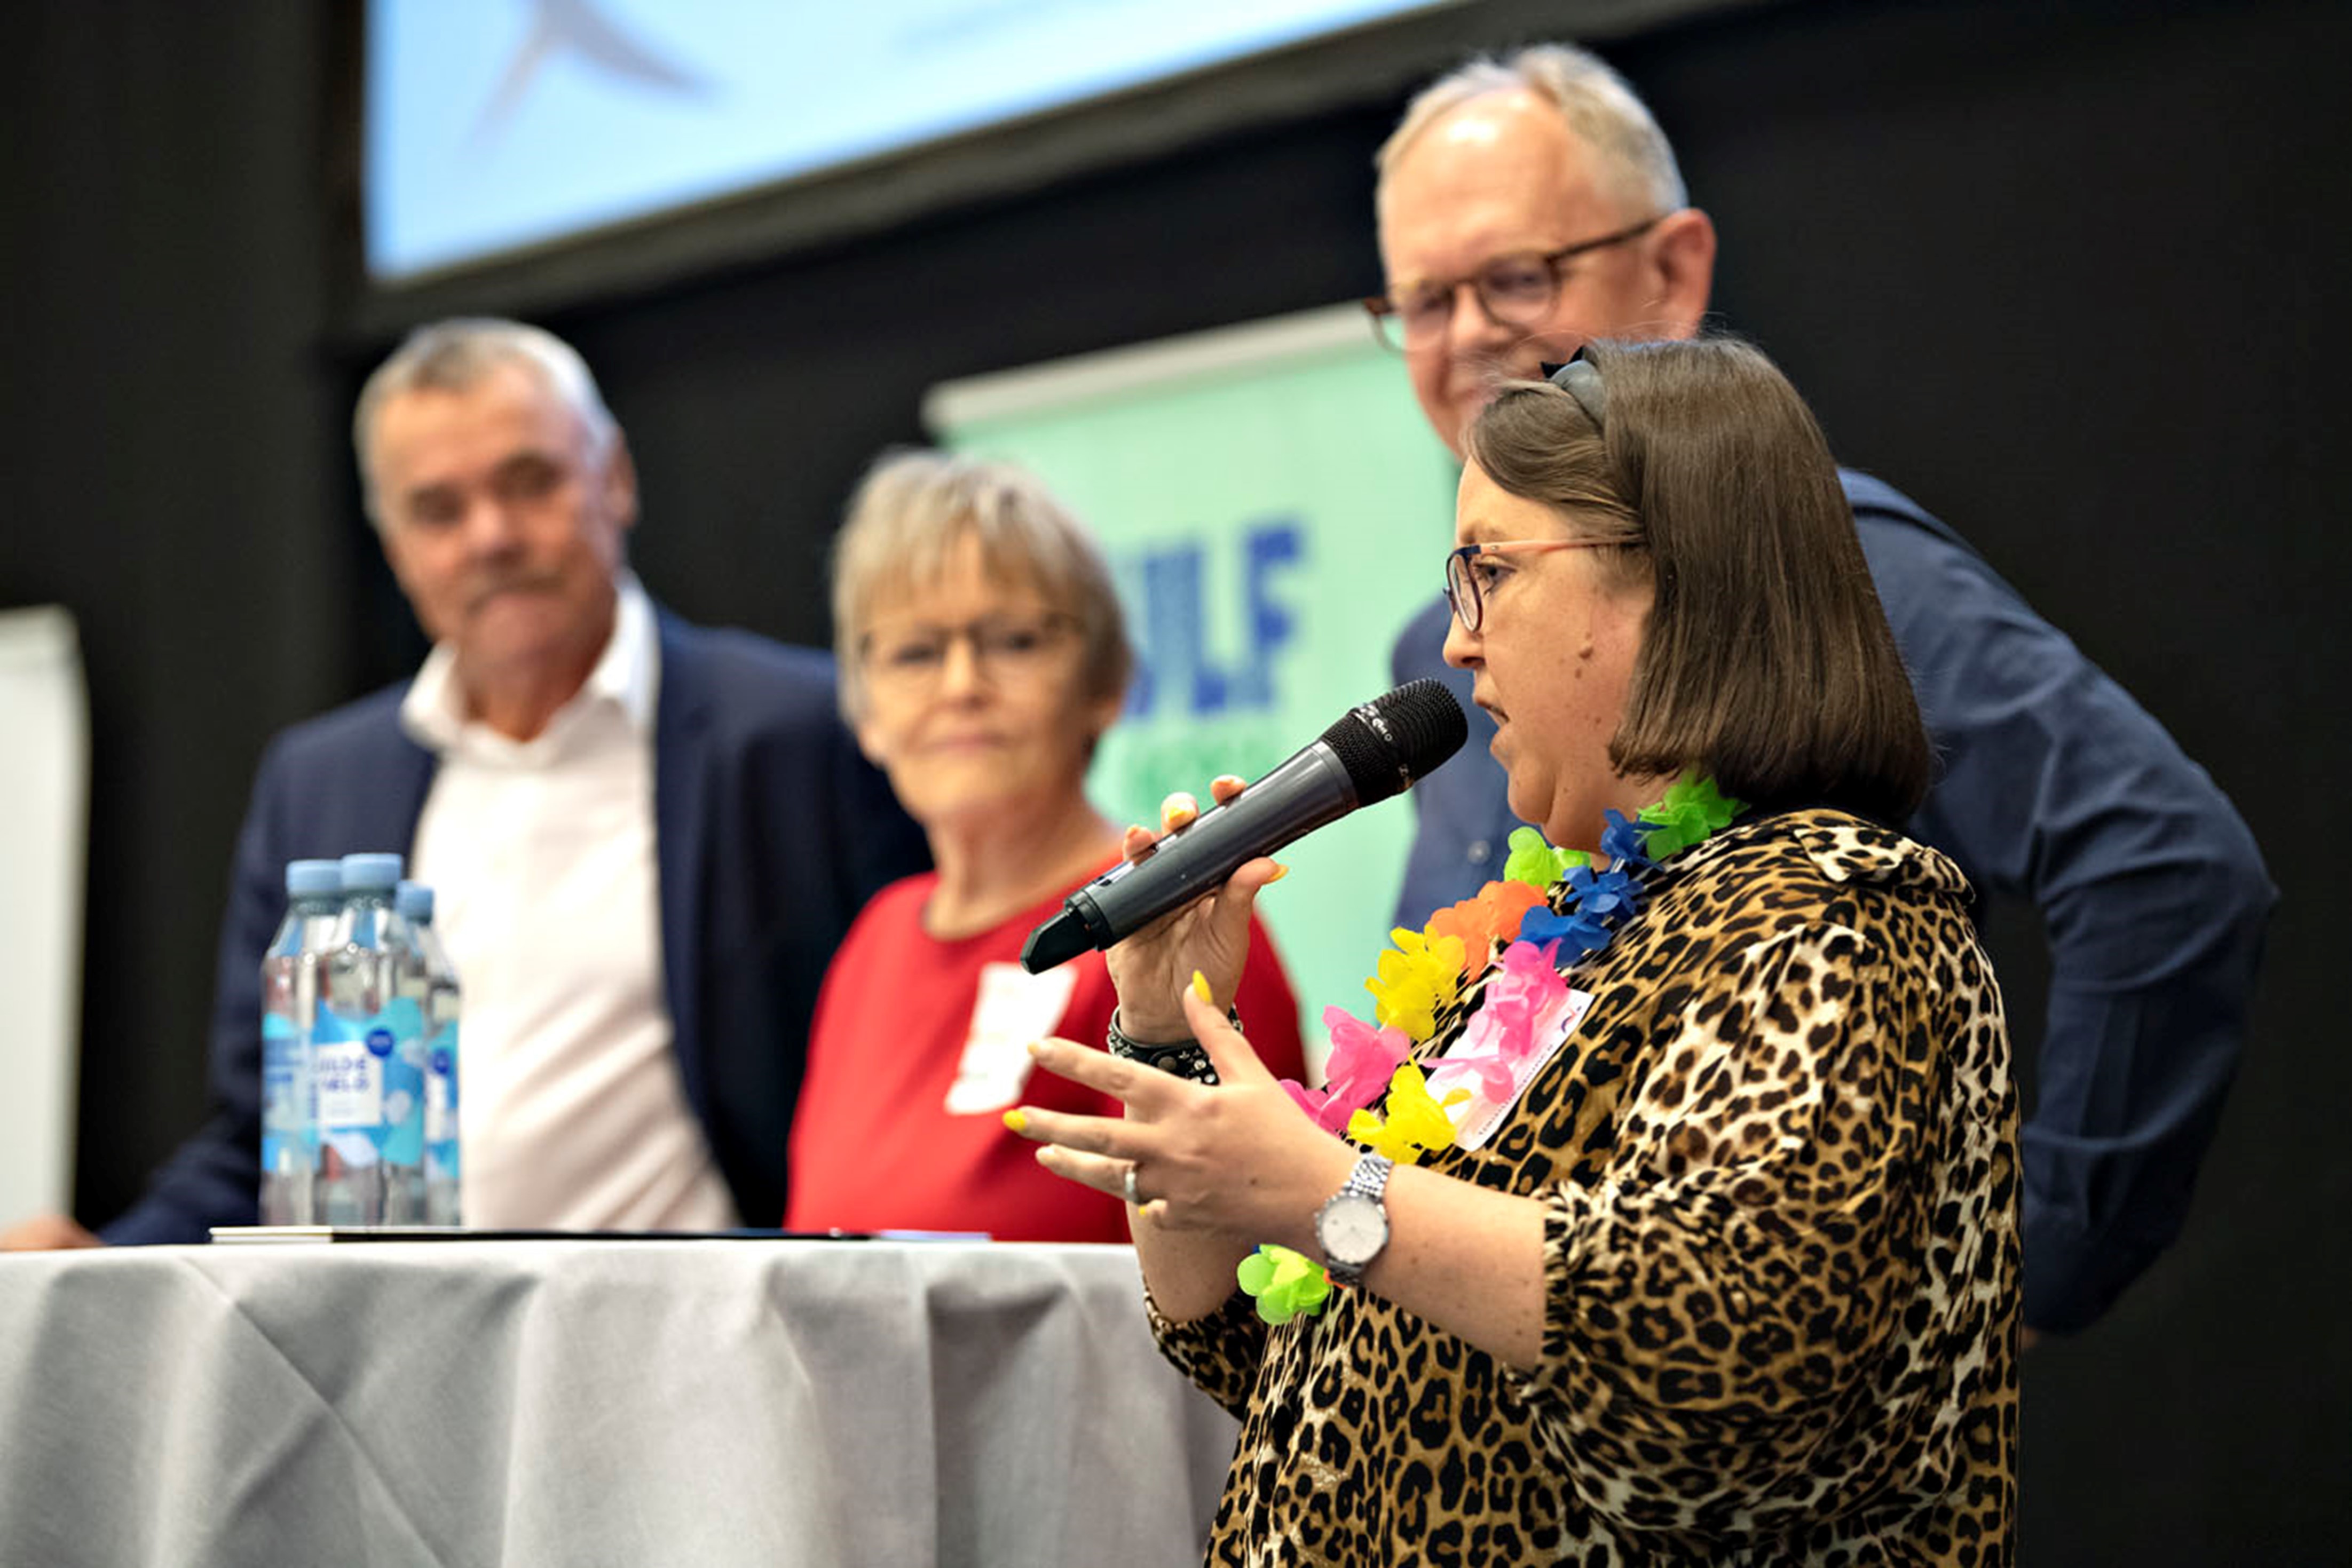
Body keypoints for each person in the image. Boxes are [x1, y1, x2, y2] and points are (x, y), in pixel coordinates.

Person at [1012, 338, 2018, 1562]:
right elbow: (1275, 1358)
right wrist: (1170, 1023)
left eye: (1489, 569)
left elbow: (1730, 1371)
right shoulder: (1558, 941)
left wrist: (1329, 1189)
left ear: (1672, 579)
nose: (1455, 640)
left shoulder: (1837, 921)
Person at [1368, 43, 2271, 1334]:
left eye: (1515, 276)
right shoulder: (1436, 644)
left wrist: (2013, 1275)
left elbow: (2167, 862)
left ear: (1672, 272)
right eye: (1423, 300)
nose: (1466, 336)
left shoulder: (1827, 571)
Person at [0, 318, 928, 1248]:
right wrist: (95, 1268)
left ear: (615, 478)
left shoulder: (803, 733)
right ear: (393, 545)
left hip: (705, 1320)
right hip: (391, 1333)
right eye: (439, 510)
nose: (492, 536)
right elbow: (264, 1147)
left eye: (530, 483)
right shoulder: (319, 785)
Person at [784, 451, 1305, 1242]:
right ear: (865, 712)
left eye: (1014, 641)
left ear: (1105, 682)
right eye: (915, 652)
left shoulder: (1175, 927)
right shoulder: (876, 941)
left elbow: (1265, 1268)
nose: (961, 684)